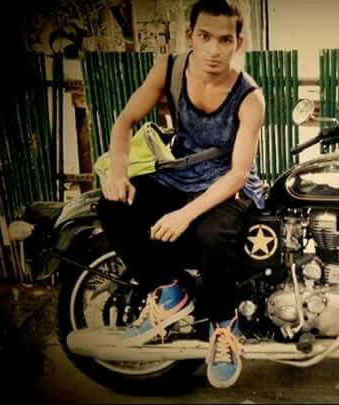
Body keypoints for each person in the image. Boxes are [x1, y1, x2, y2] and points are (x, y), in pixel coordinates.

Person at [96, 0, 265, 389]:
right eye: (205, 37)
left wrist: (184, 215)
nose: (213, 50)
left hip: (228, 184)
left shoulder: (250, 97)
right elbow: (125, 121)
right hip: (182, 176)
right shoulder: (168, 70)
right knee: (114, 206)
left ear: (238, 43)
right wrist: (118, 174)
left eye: (225, 40)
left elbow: (238, 173)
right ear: (190, 36)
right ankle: (168, 291)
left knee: (211, 233)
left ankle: (225, 326)